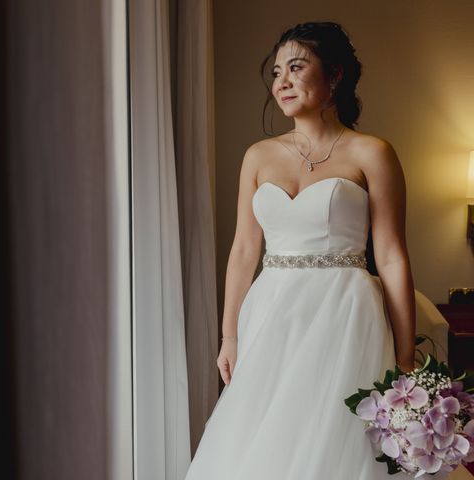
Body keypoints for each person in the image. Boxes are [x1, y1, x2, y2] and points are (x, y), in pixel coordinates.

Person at [183, 21, 428, 479]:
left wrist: (405, 354)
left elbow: (393, 256)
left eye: (297, 68)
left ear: (334, 75)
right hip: (272, 311)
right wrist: (229, 336)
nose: (283, 82)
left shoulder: (372, 153)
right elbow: (242, 250)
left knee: (335, 437)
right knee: (266, 434)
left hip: (346, 312)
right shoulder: (258, 156)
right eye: (277, 73)